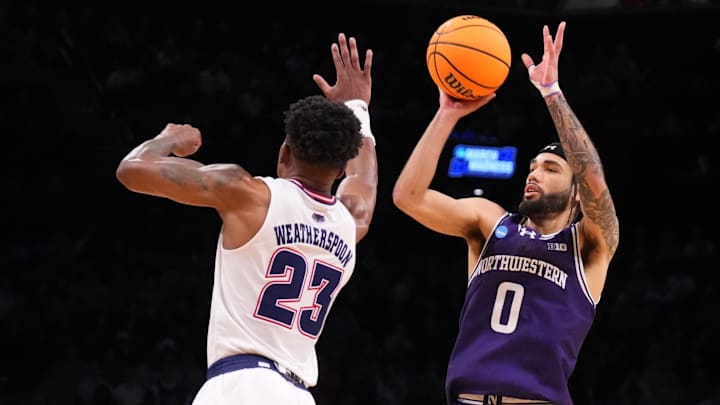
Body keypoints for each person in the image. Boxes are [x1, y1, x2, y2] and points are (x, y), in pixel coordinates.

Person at [115, 32, 377, 405]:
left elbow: (132, 170)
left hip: (239, 387)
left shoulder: (247, 194)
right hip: (298, 395)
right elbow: (364, 178)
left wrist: (168, 139)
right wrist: (357, 107)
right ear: (338, 169)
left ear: (284, 152)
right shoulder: (352, 221)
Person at [392, 21, 619, 405]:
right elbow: (408, 197)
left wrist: (551, 92)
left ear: (577, 194)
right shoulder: (488, 223)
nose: (534, 174)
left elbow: (593, 175)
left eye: (550, 169)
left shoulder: (588, 245)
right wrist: (446, 115)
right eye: (532, 167)